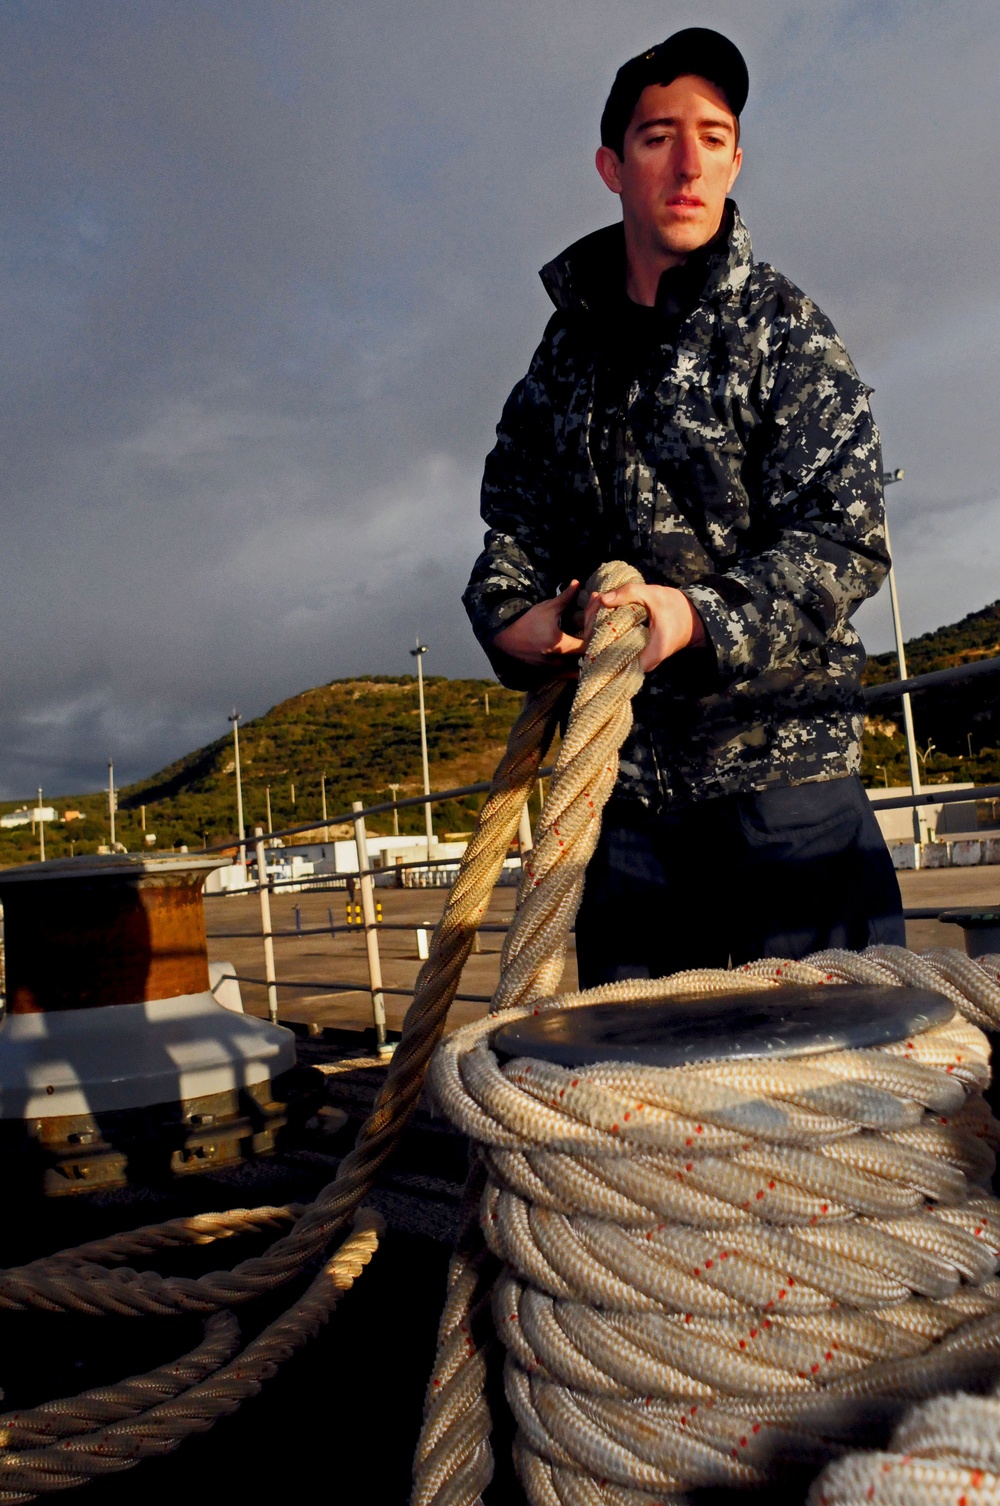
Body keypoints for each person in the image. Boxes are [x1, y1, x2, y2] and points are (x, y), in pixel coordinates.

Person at [462, 27, 904, 985]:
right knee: (639, 1076)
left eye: (714, 136)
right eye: (660, 137)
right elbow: (516, 527)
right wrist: (512, 618)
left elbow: (844, 543)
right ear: (612, 168)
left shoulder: (785, 334)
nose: (690, 163)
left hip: (785, 787)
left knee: (836, 1064)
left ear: (736, 160)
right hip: (625, 809)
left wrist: (691, 618)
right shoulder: (563, 358)